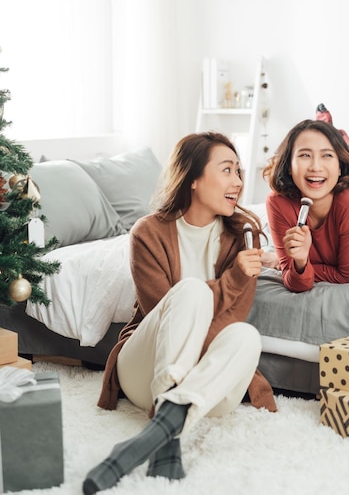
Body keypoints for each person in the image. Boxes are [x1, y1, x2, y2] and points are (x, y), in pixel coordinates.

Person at [82, 131, 277, 495]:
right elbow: (164, 314)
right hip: (147, 371)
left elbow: (232, 319)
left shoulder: (244, 235)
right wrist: (231, 279)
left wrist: (237, 277)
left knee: (245, 336)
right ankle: (167, 422)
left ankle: (158, 431)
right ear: (193, 179)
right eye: (227, 170)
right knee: (189, 292)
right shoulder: (148, 233)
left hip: (209, 389)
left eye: (239, 171)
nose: (238, 181)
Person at [263, 115, 349, 293]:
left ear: (339, 167)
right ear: (289, 166)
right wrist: (300, 262)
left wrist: (299, 267)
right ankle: (337, 148)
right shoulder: (277, 203)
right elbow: (294, 280)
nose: (315, 166)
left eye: (327, 155)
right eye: (305, 155)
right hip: (336, 187)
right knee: (334, 180)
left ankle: (347, 157)